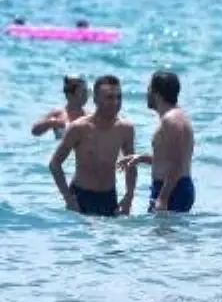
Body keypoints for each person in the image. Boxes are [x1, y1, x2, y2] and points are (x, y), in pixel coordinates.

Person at [48, 75, 137, 216]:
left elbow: (131, 165)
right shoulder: (79, 127)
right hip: (81, 197)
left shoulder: (126, 128)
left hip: (109, 197)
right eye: (109, 97)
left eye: (119, 97)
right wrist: (69, 200)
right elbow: (55, 164)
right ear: (95, 99)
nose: (115, 102)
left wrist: (129, 197)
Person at [117, 72, 196, 213]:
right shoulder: (177, 117)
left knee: (164, 234)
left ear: (157, 93)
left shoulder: (171, 121)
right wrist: (141, 158)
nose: (147, 94)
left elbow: (177, 163)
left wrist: (163, 198)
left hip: (172, 190)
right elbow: (170, 159)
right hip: (176, 187)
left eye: (149, 89)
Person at [32, 75, 89, 139]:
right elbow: (35, 131)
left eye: (86, 91)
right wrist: (51, 123)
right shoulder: (58, 113)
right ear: (69, 94)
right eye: (83, 91)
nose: (86, 95)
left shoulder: (89, 116)